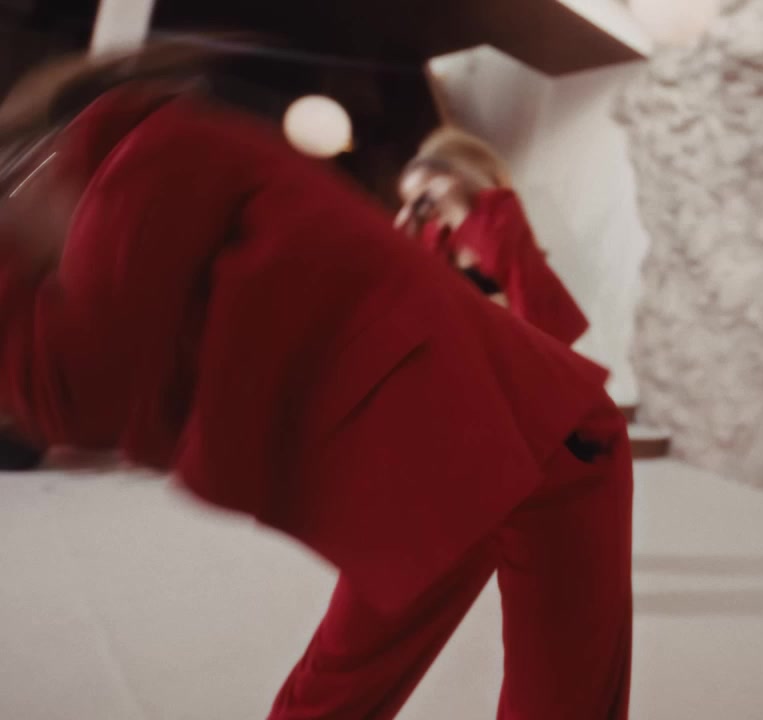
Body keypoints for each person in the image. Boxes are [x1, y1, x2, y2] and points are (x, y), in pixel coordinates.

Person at [0, 42, 630, 720]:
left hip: (528, 426)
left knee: (374, 684)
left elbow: (73, 397)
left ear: (44, 157)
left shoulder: (142, 165)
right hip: (443, 436)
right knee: (343, 682)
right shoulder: (153, 174)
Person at [395, 127, 592, 346]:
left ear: (455, 178)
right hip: (496, 342)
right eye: (418, 203)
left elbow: (497, 258)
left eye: (428, 195)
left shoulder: (499, 205)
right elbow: (431, 286)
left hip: (536, 332)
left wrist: (457, 210)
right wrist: (405, 234)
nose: (428, 207)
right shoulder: (435, 234)